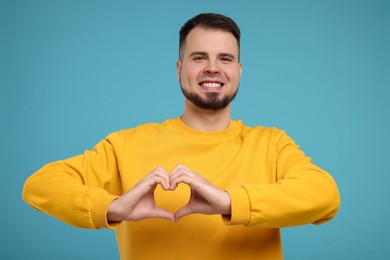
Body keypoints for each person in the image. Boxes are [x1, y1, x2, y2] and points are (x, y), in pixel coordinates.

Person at [23, 13, 340, 260]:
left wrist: (230, 202)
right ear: (179, 69)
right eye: (199, 57)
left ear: (239, 71)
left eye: (225, 59)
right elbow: (39, 185)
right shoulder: (126, 145)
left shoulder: (271, 144)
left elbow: (325, 196)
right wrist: (112, 208)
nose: (212, 68)